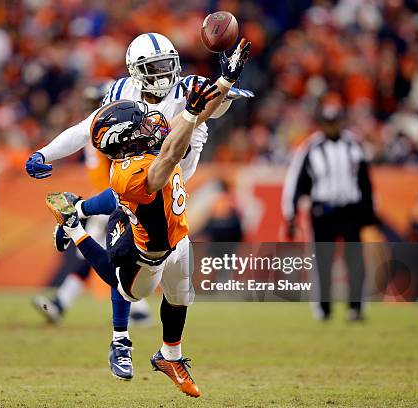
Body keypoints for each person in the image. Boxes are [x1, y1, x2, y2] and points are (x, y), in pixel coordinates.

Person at [26, 32, 251, 380]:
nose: (163, 74)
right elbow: (88, 129)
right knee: (129, 274)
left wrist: (225, 84)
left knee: (179, 288)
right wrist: (45, 152)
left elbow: (211, 106)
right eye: (154, 67)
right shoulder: (121, 94)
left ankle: (77, 216)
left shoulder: (187, 89)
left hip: (168, 190)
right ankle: (120, 342)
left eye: (167, 66)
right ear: (135, 71)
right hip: (140, 178)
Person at [46, 77, 220, 396]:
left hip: (177, 238)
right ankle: (73, 228)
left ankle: (170, 357)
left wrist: (223, 82)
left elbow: (182, 134)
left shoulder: (145, 154)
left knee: (181, 297)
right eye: (140, 126)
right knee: (121, 284)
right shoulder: (136, 168)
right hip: (150, 254)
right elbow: (171, 154)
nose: (150, 125)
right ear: (127, 138)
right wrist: (193, 112)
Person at [33, 80, 154, 327]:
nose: (92, 108)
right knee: (93, 256)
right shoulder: (97, 132)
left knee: (100, 255)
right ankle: (62, 304)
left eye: (96, 102)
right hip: (105, 201)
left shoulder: (115, 134)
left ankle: (138, 310)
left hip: (116, 201)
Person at [281, 93, 376, 321]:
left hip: (350, 209)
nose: (332, 127)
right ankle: (323, 309)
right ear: (321, 124)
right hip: (323, 211)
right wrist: (291, 214)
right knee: (322, 261)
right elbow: (296, 181)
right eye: (327, 122)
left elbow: (365, 181)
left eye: (335, 122)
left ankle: (356, 307)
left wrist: (369, 211)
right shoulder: (311, 148)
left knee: (355, 261)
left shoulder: (354, 145)